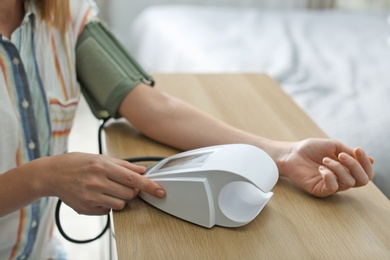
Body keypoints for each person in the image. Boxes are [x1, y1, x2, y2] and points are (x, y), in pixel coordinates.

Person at [0, 0, 374, 259]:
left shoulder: (66, 14)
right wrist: (43, 177)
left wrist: (281, 154)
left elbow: (153, 107)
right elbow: (42, 178)